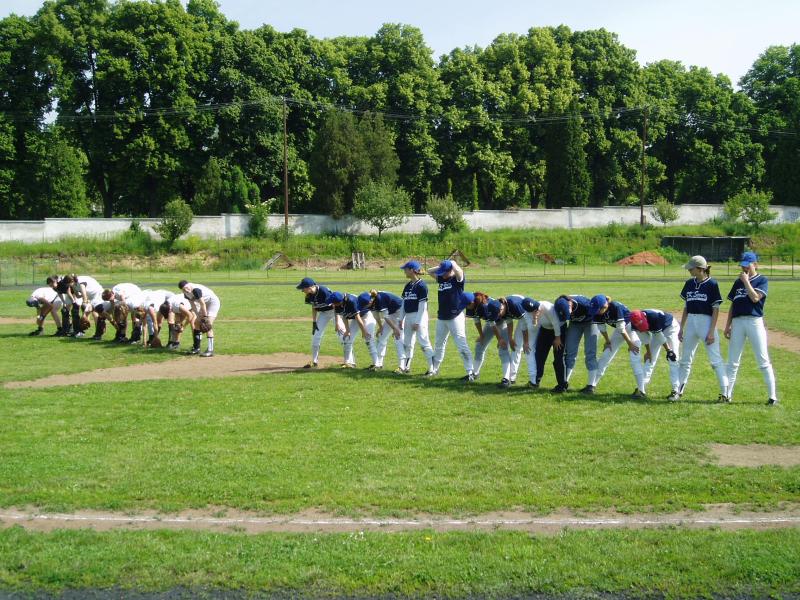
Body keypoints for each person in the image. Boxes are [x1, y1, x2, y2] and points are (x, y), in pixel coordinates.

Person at [724, 251, 778, 406]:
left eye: (747, 265)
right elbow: (733, 304)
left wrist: (746, 282)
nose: (744, 268)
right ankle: (727, 394)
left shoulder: (761, 280)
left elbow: (755, 298)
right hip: (738, 322)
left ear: (755, 264)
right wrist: (728, 325)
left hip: (754, 321)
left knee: (763, 360)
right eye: (743, 265)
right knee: (733, 361)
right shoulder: (738, 281)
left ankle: (772, 396)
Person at [677, 256, 729, 402]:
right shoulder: (689, 283)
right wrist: (681, 328)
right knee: (685, 359)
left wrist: (712, 331)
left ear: (700, 269)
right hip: (691, 323)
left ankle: (725, 393)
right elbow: (686, 307)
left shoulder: (712, 284)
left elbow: (716, 309)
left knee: (715, 359)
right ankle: (678, 390)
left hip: (706, 322)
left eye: (691, 268)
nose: (688, 270)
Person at [588, 295, 646, 398]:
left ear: (604, 306)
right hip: (620, 331)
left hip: (631, 329)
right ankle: (592, 386)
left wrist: (630, 344)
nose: (596, 312)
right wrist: (607, 341)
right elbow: (602, 328)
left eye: (597, 309)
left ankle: (641, 391)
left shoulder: (615, 307)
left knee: (634, 358)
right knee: (605, 355)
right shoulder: (597, 312)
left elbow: (621, 327)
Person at [427, 259, 474, 381]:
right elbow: (429, 271)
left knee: (461, 345)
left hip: (455, 316)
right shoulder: (442, 278)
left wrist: (452, 263)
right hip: (442, 317)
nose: (441, 274)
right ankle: (434, 369)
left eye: (444, 272)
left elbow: (459, 271)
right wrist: (442, 266)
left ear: (451, 270)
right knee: (438, 345)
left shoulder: (457, 279)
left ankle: (470, 372)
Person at [629, 310, 680, 400]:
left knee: (673, 358)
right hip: (657, 332)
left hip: (671, 328)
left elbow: (661, 337)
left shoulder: (653, 317)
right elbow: (645, 338)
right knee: (650, 359)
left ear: (644, 317)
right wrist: (648, 352)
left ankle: (675, 390)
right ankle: (641, 388)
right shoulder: (633, 323)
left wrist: (669, 351)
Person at [555, 295, 599, 395]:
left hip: (591, 322)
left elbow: (598, 312)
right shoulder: (559, 304)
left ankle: (591, 386)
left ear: (570, 304)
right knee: (570, 352)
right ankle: (564, 383)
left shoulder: (585, 304)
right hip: (574, 324)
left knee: (590, 353)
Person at [399, 260, 435, 375]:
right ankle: (406, 367)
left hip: (419, 316)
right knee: (407, 343)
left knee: (424, 342)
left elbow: (423, 306)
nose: (404, 271)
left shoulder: (422, 286)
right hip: (409, 316)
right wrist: (401, 319)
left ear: (411, 270)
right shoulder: (408, 285)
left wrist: (418, 322)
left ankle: (432, 369)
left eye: (405, 269)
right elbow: (404, 303)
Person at [359, 289, 406, 372]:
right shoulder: (372, 301)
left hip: (400, 312)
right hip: (391, 313)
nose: (364, 307)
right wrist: (380, 327)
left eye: (364, 305)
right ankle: (379, 364)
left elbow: (386, 317)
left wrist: (395, 329)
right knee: (381, 336)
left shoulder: (379, 299)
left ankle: (402, 366)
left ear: (370, 301)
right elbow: (376, 315)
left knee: (398, 338)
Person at [330, 291, 379, 368]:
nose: (332, 304)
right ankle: (348, 363)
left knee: (368, 339)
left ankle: (377, 364)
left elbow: (358, 318)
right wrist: (347, 330)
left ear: (339, 302)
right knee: (347, 338)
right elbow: (345, 317)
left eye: (333, 303)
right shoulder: (337, 305)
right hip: (356, 319)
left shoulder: (351, 301)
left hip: (366, 316)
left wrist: (364, 331)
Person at [297, 277, 336, 369]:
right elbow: (314, 307)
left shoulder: (323, 291)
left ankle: (350, 362)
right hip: (323, 314)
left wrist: (338, 322)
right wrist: (314, 322)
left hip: (335, 312)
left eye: (303, 288)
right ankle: (314, 361)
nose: (302, 290)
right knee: (316, 336)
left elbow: (335, 305)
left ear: (309, 287)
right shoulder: (308, 295)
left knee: (342, 335)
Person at [531, 298, 568, 392]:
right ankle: (535, 380)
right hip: (545, 330)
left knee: (558, 358)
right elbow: (534, 325)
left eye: (537, 311)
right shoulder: (531, 310)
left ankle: (561, 385)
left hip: (559, 329)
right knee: (539, 355)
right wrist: (534, 318)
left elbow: (555, 323)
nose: (535, 312)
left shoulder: (547, 307)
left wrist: (558, 338)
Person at [179, 280, 220, 357]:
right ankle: (196, 348)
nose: (186, 290)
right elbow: (193, 305)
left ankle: (210, 350)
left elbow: (202, 303)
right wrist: (198, 315)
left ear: (189, 284)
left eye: (186, 287)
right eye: (184, 289)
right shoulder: (186, 293)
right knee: (196, 323)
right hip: (204, 304)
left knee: (207, 325)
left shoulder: (196, 290)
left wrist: (204, 317)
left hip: (212, 302)